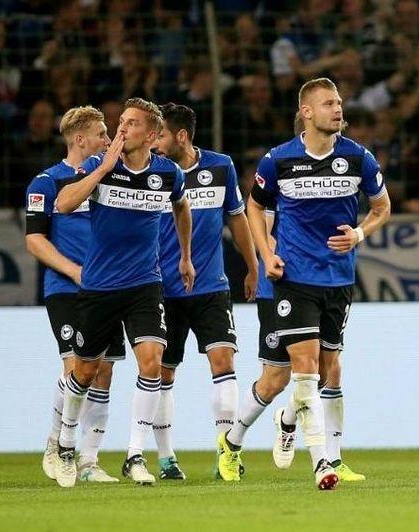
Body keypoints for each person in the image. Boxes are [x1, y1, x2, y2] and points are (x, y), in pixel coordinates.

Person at [231, 77, 391, 489]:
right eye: (328, 103)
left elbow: (382, 207)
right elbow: (254, 207)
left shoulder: (358, 158)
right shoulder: (278, 161)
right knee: (302, 371)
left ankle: (288, 420)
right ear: (306, 112)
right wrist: (266, 255)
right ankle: (323, 463)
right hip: (294, 278)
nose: (338, 109)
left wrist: (359, 234)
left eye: (339, 102)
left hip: (338, 278)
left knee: (327, 371)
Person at [52, 98, 194, 488]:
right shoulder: (100, 165)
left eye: (131, 124)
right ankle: (66, 445)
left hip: (144, 284)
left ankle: (134, 455)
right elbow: (63, 204)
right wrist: (102, 169)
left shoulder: (167, 173)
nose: (121, 129)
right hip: (99, 287)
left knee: (152, 362)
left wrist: (185, 256)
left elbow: (182, 208)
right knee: (84, 372)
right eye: (121, 122)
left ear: (151, 135)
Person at [151, 103, 258, 481]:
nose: (155, 143)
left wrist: (252, 265)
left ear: (181, 136)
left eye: (161, 135)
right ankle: (166, 457)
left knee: (223, 362)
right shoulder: (152, 173)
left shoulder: (220, 167)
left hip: (212, 285)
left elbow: (237, 218)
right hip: (164, 288)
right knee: (163, 373)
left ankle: (225, 452)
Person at [25, 105, 124, 484]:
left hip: (108, 288)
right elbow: (35, 240)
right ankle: (56, 444)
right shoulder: (47, 182)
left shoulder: (112, 178)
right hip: (66, 288)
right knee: (76, 368)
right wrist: (74, 271)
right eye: (101, 134)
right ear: (80, 139)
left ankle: (89, 461)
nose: (108, 140)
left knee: (103, 373)